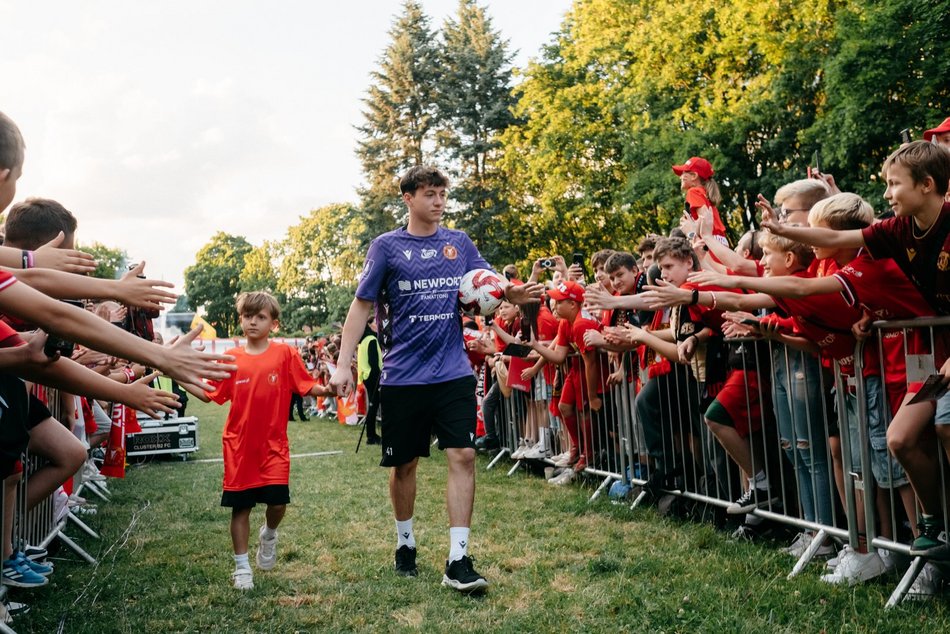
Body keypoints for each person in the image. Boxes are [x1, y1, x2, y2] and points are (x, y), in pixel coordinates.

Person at [329, 165, 540, 593]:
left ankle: (458, 559)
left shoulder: (459, 243)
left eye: (443, 194)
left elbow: (490, 284)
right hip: (404, 376)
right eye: (430, 194)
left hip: (452, 372)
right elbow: (360, 307)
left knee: (462, 455)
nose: (439, 202)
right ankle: (405, 543)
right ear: (408, 198)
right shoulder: (387, 247)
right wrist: (343, 362)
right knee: (404, 465)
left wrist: (510, 291)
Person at [187, 291, 333, 590]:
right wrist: (178, 376)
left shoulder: (284, 354)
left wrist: (330, 391)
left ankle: (268, 534)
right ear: (241, 320)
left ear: (274, 324)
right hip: (238, 447)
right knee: (241, 509)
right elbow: (210, 394)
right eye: (247, 316)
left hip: (274, 447)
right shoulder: (231, 359)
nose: (252, 321)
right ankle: (242, 568)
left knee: (278, 503)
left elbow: (306, 385)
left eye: (260, 316)